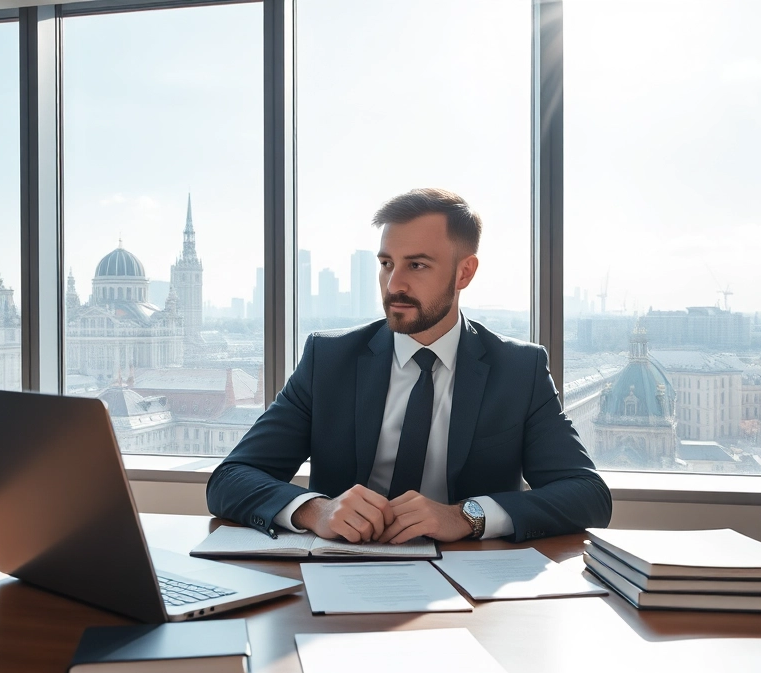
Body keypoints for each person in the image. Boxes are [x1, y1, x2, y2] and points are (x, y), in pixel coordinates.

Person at [207, 188, 611, 544]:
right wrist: (317, 511)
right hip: (339, 573)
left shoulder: (519, 369)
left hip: (470, 584)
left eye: (416, 265)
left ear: (464, 272)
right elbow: (230, 479)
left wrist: (465, 516)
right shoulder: (327, 360)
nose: (394, 284)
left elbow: (587, 494)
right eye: (386, 263)